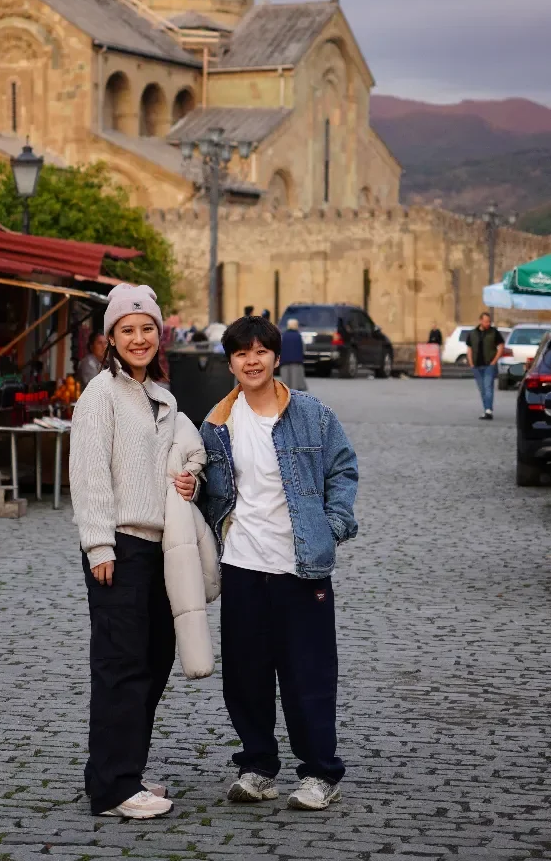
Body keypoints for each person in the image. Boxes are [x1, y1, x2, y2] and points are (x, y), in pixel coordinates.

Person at [197, 315, 358, 811]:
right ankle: (258, 767)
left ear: (275, 356)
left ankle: (319, 773)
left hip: (300, 567)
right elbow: (211, 492)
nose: (252, 361)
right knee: (244, 676)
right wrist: (192, 488)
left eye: (260, 352)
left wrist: (331, 527)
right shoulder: (216, 425)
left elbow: (343, 469)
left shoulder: (313, 415)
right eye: (242, 354)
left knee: (306, 673)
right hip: (243, 565)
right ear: (231, 363)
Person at [69, 284, 205, 820]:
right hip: (118, 548)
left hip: (159, 551)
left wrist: (189, 476)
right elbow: (88, 476)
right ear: (111, 338)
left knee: (154, 660)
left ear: (159, 333)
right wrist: (99, 544)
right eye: (127, 329)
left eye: (147, 328)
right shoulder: (99, 396)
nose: (139, 337)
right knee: (120, 665)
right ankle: (112, 789)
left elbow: (192, 448)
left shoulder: (165, 398)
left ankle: (121, 765)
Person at [466, 311, 506, 420]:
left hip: (489, 365)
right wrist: (471, 363)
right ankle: (486, 410)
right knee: (482, 389)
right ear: (480, 321)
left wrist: (494, 361)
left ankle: (488, 410)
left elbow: (501, 345)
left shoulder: (494, 332)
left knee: (488, 387)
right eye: (486, 321)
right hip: (476, 366)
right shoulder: (472, 333)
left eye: (489, 321)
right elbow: (469, 348)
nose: (488, 323)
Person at [279, 317, 307, 391]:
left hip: (284, 362)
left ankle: (286, 399)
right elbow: (303, 349)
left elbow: (279, 348)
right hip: (297, 363)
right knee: (295, 384)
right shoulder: (298, 336)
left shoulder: (283, 336)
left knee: (285, 383)